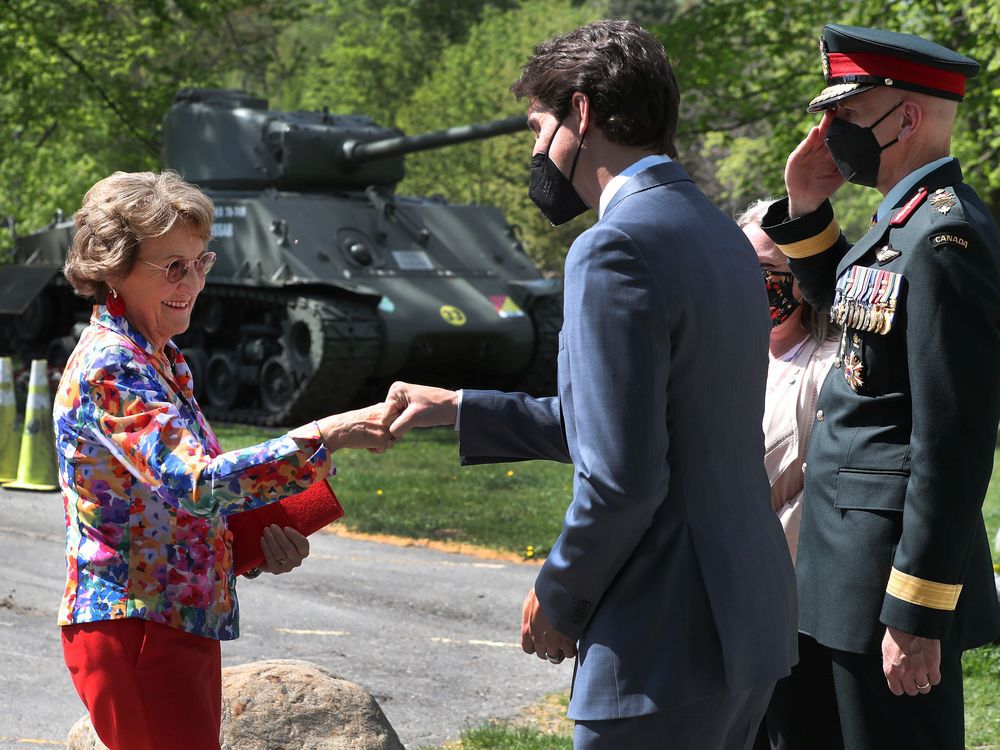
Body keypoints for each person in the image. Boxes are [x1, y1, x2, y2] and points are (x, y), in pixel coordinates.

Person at [382, 20, 797, 750]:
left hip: (659, 638)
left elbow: (623, 476)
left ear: (580, 113)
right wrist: (457, 409)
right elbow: (649, 421)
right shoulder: (721, 236)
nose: (535, 151)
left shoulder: (614, 247)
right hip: (746, 624)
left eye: (538, 127)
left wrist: (561, 592)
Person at [55, 170, 392, 750]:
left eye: (200, 263)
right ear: (113, 267)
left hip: (167, 621)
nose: (191, 283)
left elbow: (173, 504)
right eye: (172, 267)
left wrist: (253, 544)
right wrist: (324, 435)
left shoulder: (159, 357)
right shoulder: (117, 364)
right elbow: (195, 482)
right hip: (139, 626)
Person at [759, 24, 1000, 750]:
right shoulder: (902, 224)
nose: (831, 134)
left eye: (847, 117)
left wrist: (918, 611)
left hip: (887, 586)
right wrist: (804, 205)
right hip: (837, 573)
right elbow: (855, 309)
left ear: (908, 118)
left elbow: (952, 441)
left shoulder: (944, 238)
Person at [740, 200, 843, 750]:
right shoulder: (719, 354)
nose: (754, 286)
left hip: (792, 622)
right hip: (720, 612)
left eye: (769, 272)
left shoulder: (830, 367)